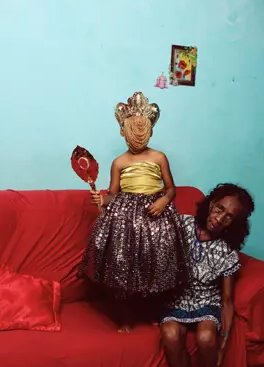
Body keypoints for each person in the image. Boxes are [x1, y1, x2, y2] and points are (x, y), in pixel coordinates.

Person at [81, 91, 190, 331]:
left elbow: (171, 189)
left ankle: (151, 311)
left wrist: (163, 201)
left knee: (155, 264)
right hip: (125, 223)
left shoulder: (159, 157)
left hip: (156, 218)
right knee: (124, 266)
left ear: (149, 130)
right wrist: (100, 197)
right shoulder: (119, 163)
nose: (138, 134)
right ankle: (125, 317)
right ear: (123, 131)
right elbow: (112, 195)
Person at [160, 183, 255, 367]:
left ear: (235, 223)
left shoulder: (227, 251)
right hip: (177, 296)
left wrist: (223, 346)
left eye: (229, 216)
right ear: (211, 204)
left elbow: (226, 301)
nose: (219, 218)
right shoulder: (181, 224)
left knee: (205, 337)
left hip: (206, 299)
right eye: (219, 209)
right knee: (170, 334)